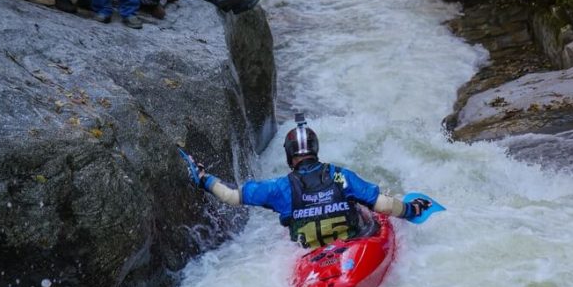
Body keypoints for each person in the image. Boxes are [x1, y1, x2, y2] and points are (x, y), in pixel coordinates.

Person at [180, 115, 433, 249]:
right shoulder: (340, 176)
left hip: (310, 254)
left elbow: (232, 197)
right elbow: (385, 206)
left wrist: (203, 180)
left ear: (290, 156)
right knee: (363, 205)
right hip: (355, 245)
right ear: (316, 150)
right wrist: (411, 210)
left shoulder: (280, 188)